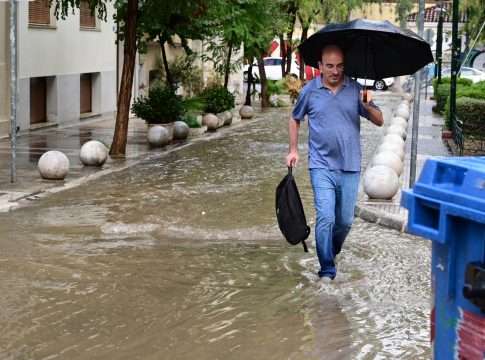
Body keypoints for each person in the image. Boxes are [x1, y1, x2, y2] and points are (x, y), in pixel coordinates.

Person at [285, 44, 384, 283]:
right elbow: (294, 118)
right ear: (319, 65)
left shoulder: (355, 89)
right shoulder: (310, 90)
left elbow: (380, 121)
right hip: (320, 165)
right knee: (326, 217)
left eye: (340, 66)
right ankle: (327, 269)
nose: (335, 71)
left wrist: (368, 105)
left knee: (344, 222)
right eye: (330, 66)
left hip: (350, 165)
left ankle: (331, 249)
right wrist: (293, 150)